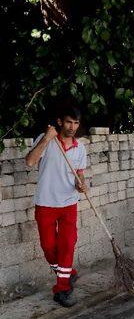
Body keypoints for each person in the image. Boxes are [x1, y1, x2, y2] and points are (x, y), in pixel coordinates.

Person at [25, 107, 87, 308]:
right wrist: (47, 138)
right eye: (69, 122)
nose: (73, 127)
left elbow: (79, 172)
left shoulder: (80, 148)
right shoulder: (46, 139)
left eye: (76, 123)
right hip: (45, 203)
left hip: (68, 203)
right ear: (60, 122)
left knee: (68, 244)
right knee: (48, 247)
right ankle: (69, 273)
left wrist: (81, 184)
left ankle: (62, 289)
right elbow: (30, 161)